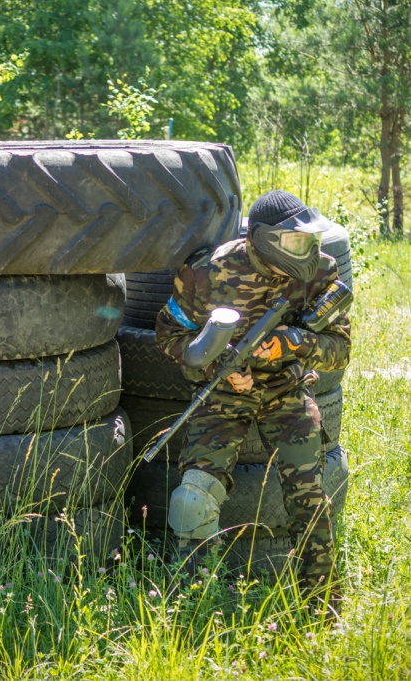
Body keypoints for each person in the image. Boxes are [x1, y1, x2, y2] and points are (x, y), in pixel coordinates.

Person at [155, 190, 351, 612]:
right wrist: (216, 365)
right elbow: (170, 335)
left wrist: (292, 343)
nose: (309, 251)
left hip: (285, 389)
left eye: (311, 241)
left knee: (310, 497)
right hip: (223, 392)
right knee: (193, 500)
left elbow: (339, 348)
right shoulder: (208, 272)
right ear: (262, 239)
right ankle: (194, 604)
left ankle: (321, 604)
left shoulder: (321, 271)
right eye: (296, 242)